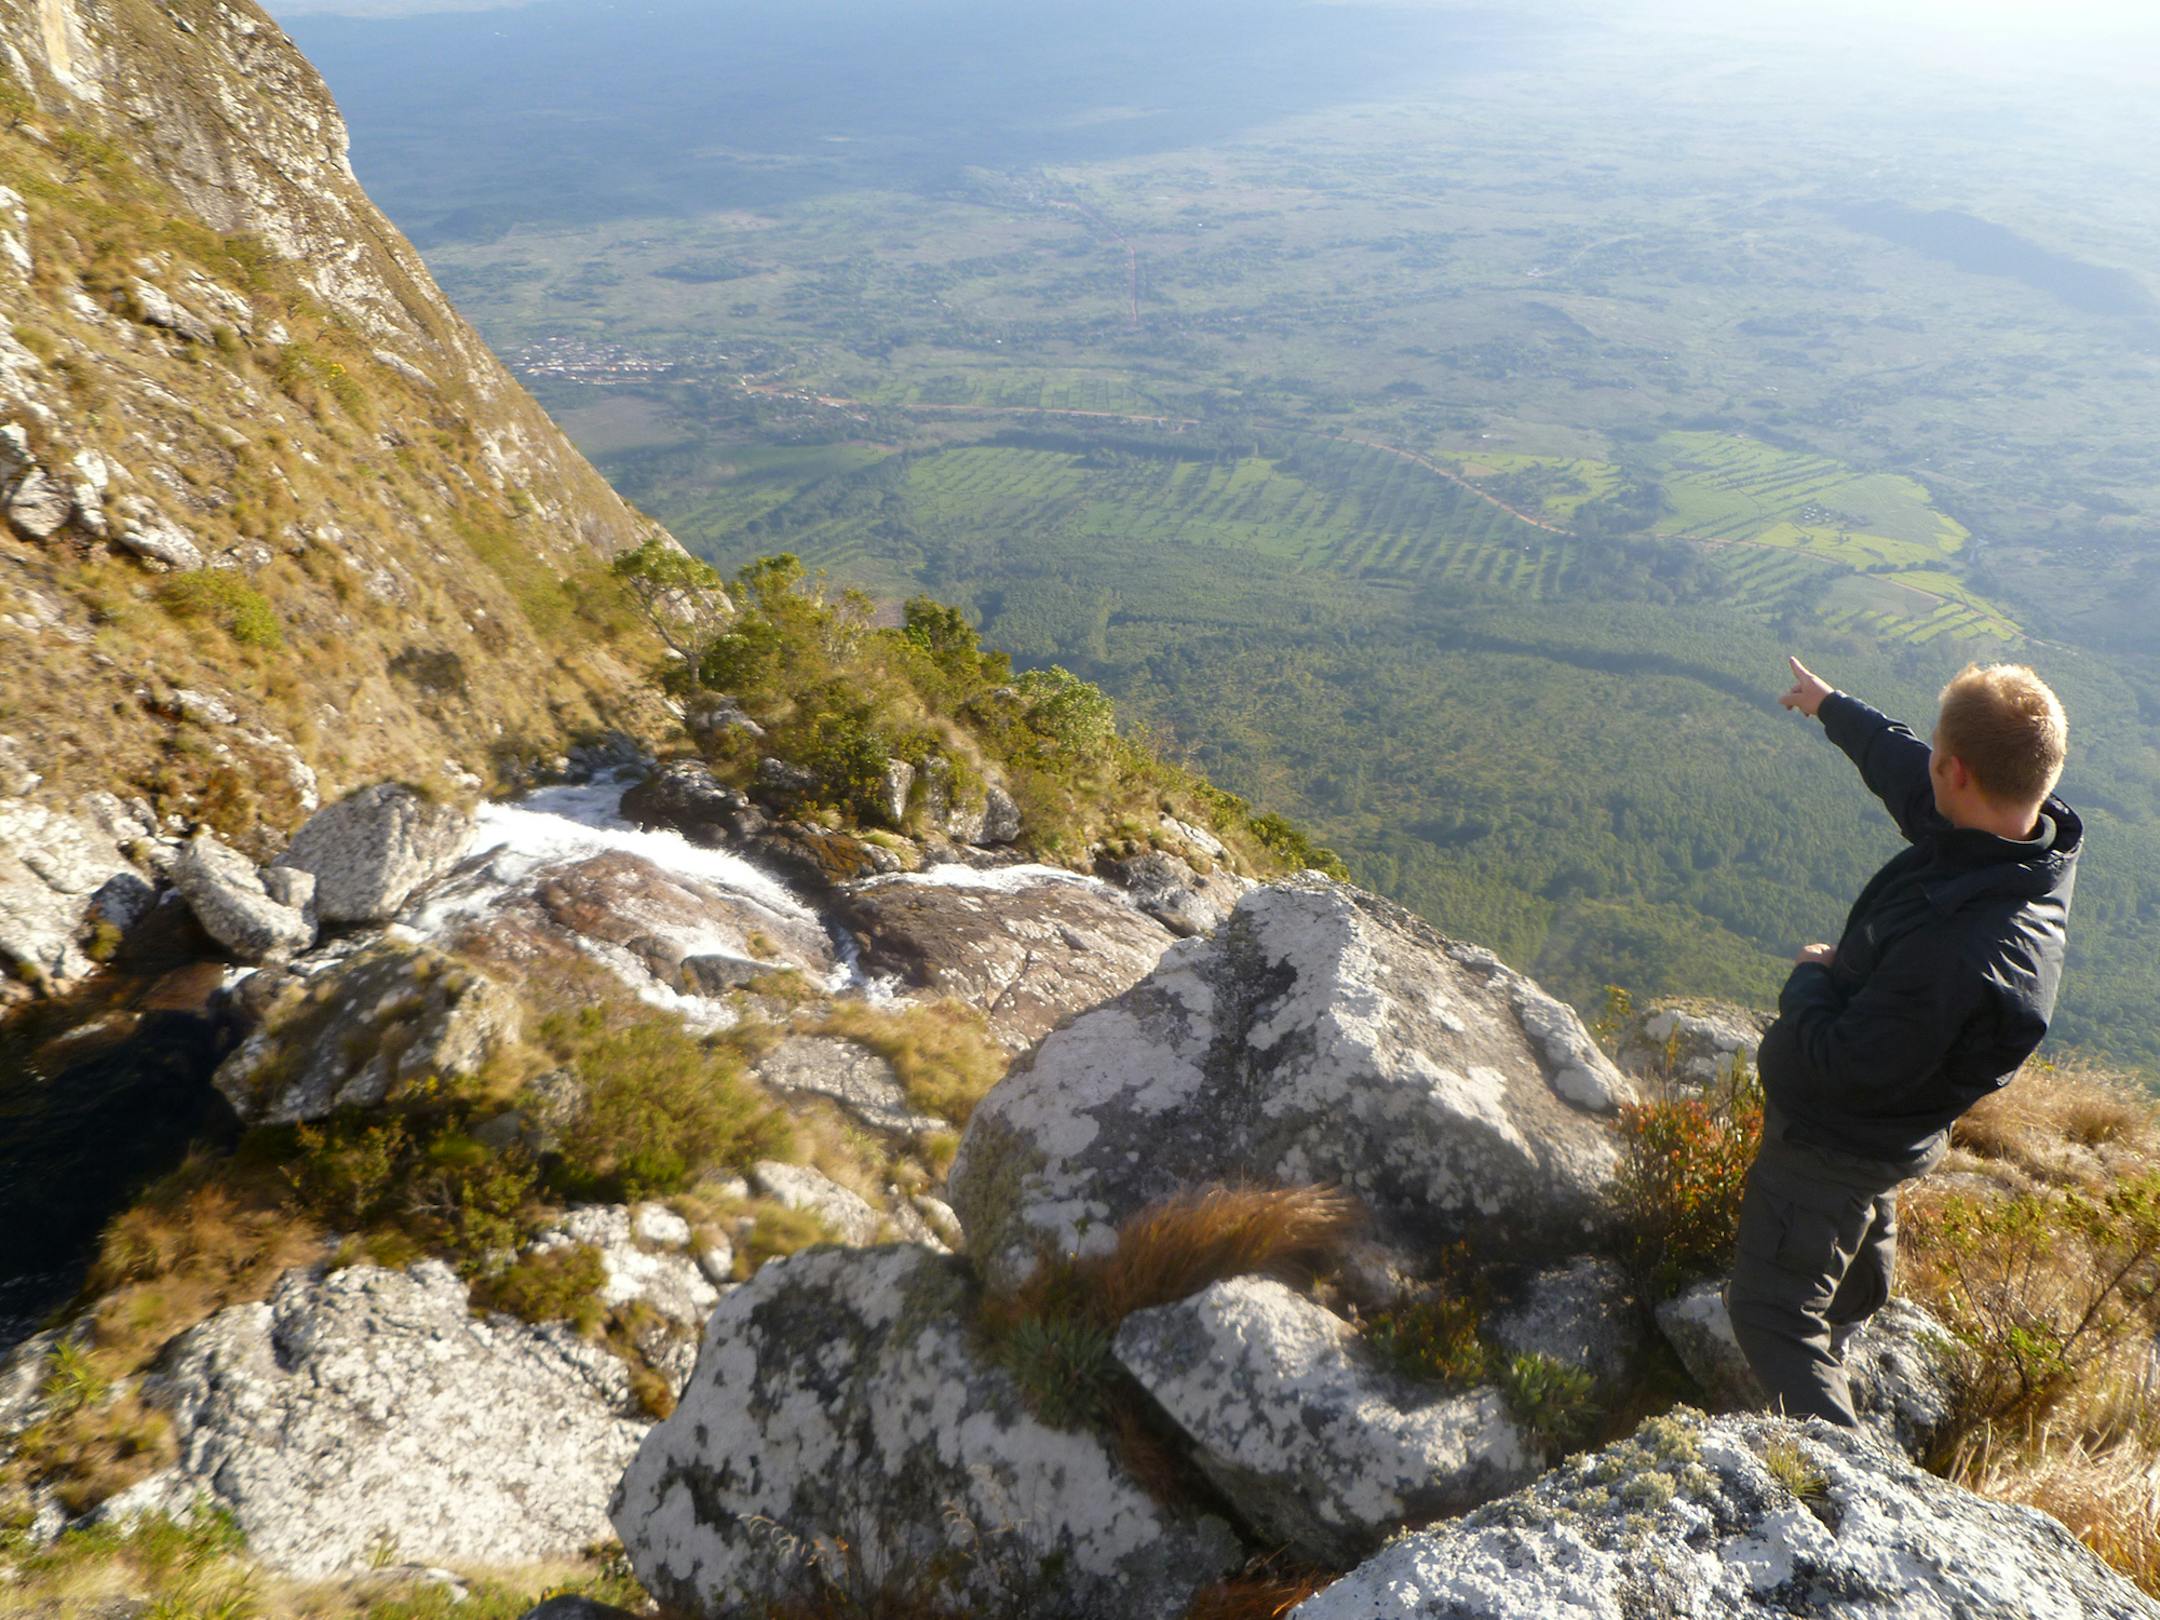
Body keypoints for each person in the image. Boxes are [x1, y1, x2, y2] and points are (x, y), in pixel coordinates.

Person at [1730, 655, 2080, 1427]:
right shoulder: (2010, 849)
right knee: (1863, 1209)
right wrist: (1832, 708)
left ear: (1954, 771)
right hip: (1893, 1127)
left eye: (1934, 760)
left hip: (1835, 1136)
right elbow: (1905, 771)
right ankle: (1855, 1304)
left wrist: (1808, 984)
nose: (1923, 771)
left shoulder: (1960, 951)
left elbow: (1841, 1069)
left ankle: (1836, 1482)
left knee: (1767, 1312)